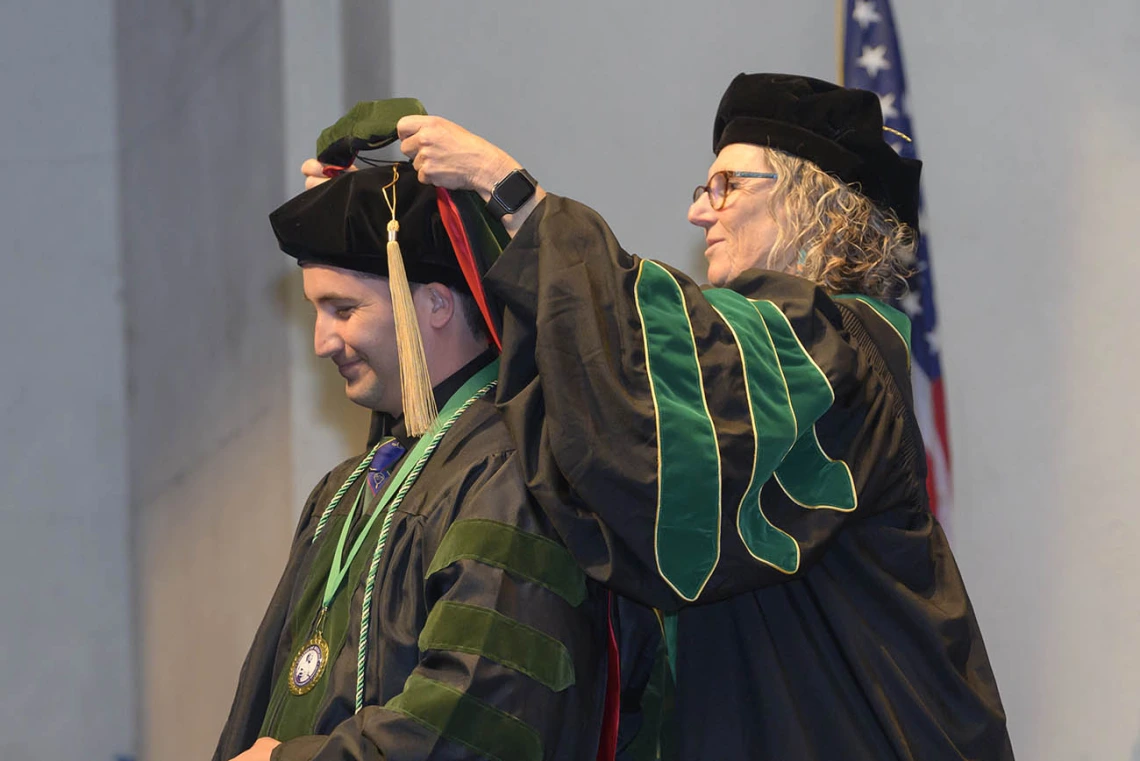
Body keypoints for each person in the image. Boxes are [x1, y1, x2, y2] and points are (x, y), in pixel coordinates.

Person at [304, 72, 1015, 759]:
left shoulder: (833, 355)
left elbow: (640, 369)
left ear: (814, 204)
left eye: (726, 185)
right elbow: (592, 419)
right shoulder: (775, 363)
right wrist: (384, 234)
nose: (698, 211)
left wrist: (510, 194)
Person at [213, 163, 643, 761]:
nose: (321, 342)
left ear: (436, 304)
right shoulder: (347, 490)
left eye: (342, 309)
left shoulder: (511, 473)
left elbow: (483, 712)